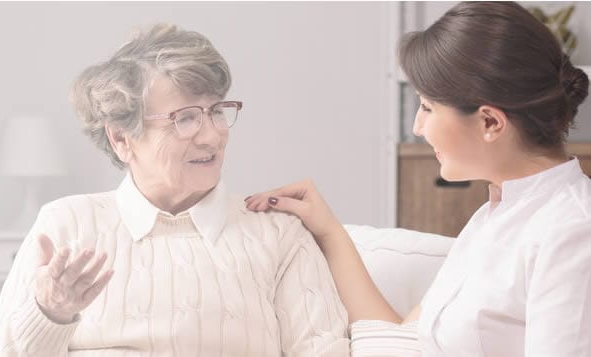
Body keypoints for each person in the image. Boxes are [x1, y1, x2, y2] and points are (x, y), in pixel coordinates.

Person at [0, 23, 349, 356]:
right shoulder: (67, 225)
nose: (212, 135)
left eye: (217, 111)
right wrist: (49, 314)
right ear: (121, 138)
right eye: (184, 118)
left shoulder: (276, 234)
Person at [246, 2, 591, 356]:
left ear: (490, 122)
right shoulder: (493, 217)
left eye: (427, 107)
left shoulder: (571, 233)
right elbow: (405, 339)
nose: (417, 127)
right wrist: (328, 231)